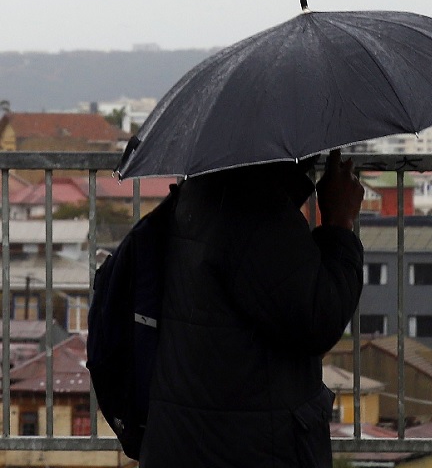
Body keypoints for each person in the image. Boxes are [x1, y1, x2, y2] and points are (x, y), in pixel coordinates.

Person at [139, 150, 365, 468]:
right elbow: (319, 315)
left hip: (187, 438)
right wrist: (340, 222)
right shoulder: (256, 210)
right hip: (250, 445)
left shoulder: (201, 191)